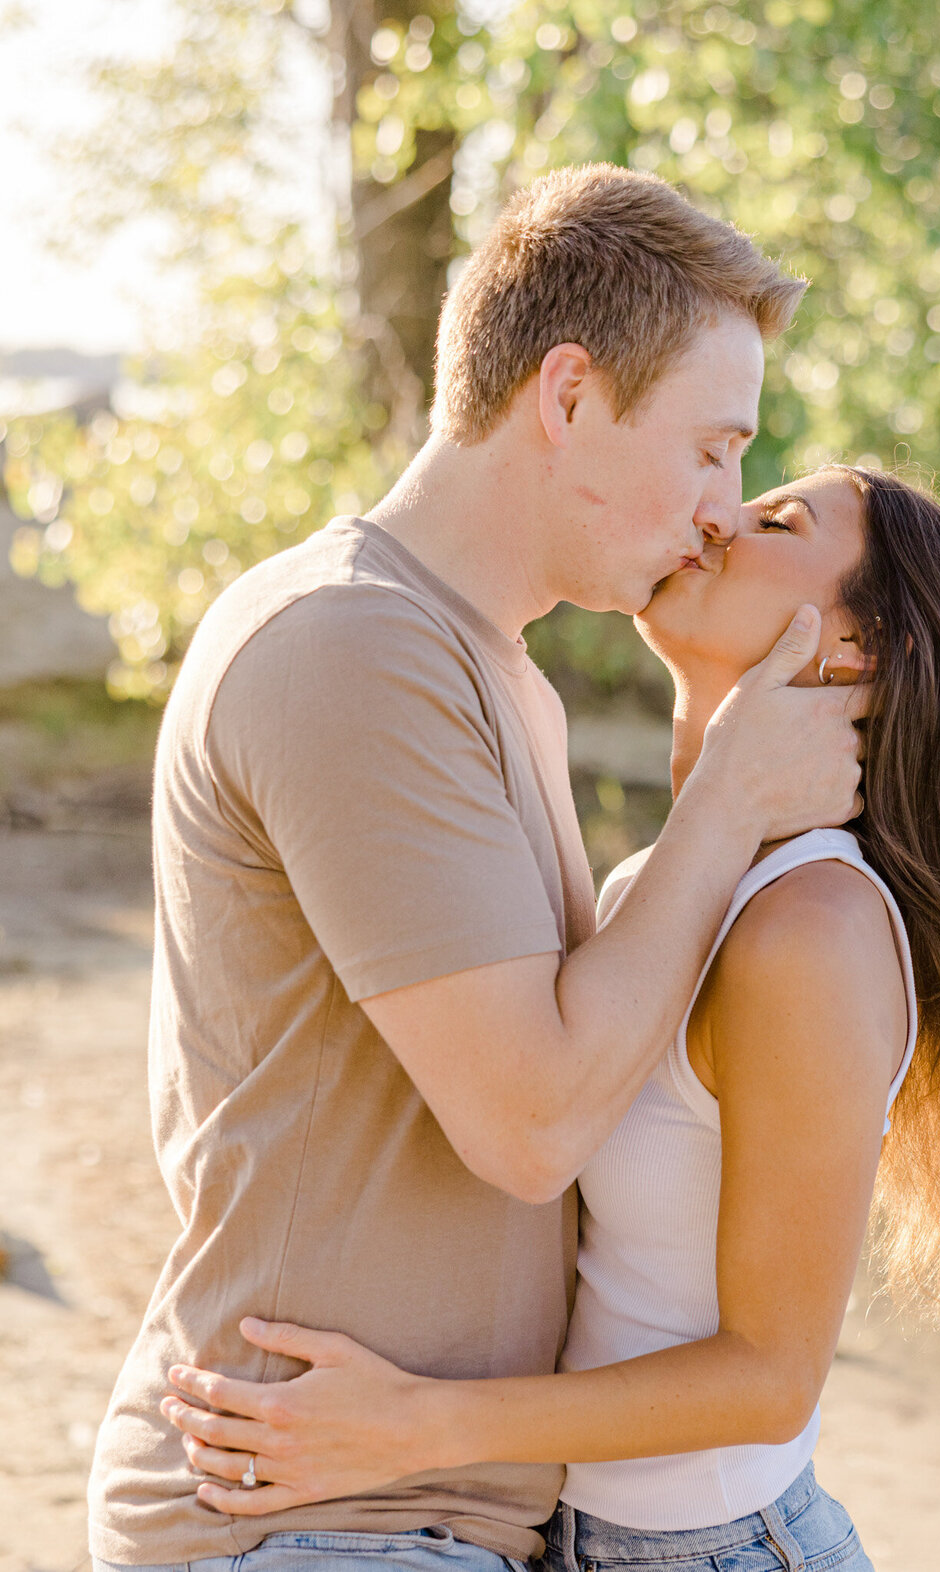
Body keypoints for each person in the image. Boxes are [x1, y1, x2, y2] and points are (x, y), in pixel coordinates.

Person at [88, 165, 867, 1572]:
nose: (720, 508)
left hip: (412, 1517)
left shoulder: (491, 669)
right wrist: (730, 800)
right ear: (567, 396)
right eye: (711, 447)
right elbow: (530, 1129)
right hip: (305, 1519)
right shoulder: (353, 648)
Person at [161, 465, 940, 1571]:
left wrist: (422, 1425)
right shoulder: (663, 885)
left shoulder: (815, 928)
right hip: (581, 1538)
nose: (717, 516)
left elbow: (773, 1374)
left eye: (779, 521)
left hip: (722, 1546)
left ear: (861, 649)